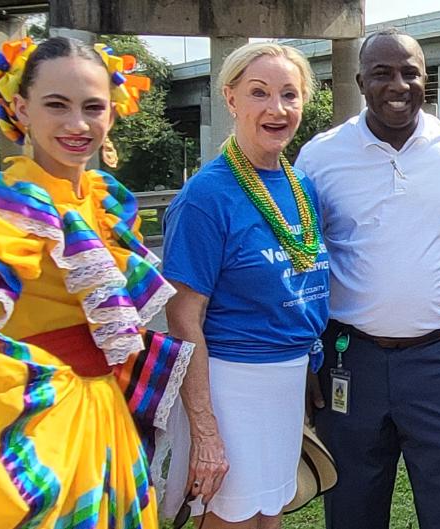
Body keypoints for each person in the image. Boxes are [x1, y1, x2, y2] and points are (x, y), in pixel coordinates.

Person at [0, 36, 189, 527]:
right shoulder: (5, 205)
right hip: (38, 423)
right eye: (56, 105)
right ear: (21, 108)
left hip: (106, 412)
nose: (77, 124)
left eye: (92, 107)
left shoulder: (104, 202)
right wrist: (14, 379)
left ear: (113, 112)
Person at [293, 30, 440, 529]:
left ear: (425, 78)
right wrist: (304, 356)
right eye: (382, 73)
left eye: (410, 72)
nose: (399, 84)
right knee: (352, 510)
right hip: (350, 361)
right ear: (359, 82)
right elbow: (302, 261)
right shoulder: (320, 156)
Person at [163, 42, 329, 527]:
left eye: (289, 95)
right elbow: (182, 316)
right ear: (231, 99)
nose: (277, 109)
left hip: (287, 380)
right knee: (230, 517)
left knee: (269, 515)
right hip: (231, 384)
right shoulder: (206, 197)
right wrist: (206, 429)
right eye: (259, 93)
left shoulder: (302, 188)